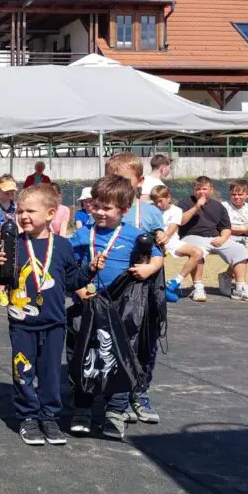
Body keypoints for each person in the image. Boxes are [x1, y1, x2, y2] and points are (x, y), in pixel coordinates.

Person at [0, 185, 95, 446]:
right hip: (22, 323)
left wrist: (90, 271)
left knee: (50, 374)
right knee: (23, 371)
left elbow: (72, 281)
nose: (23, 216)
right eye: (20, 211)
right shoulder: (14, 244)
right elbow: (3, 279)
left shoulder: (62, 246)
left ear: (51, 213)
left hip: (53, 323)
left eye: (30, 211)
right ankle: (28, 416)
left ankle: (49, 416)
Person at [69, 175, 164, 440]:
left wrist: (148, 269)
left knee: (122, 358)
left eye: (107, 208)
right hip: (88, 305)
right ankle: (82, 409)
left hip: (122, 308)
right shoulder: (82, 234)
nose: (99, 212)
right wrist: (79, 290)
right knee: (86, 357)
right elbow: (70, 268)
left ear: (124, 210)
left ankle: (115, 412)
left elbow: (157, 258)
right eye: (96, 206)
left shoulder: (134, 235)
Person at [177, 176, 248, 302]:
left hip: (214, 237)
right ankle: (198, 287)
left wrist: (223, 238)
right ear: (194, 190)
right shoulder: (185, 202)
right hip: (191, 236)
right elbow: (180, 221)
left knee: (240, 250)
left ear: (211, 190)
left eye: (204, 189)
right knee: (197, 251)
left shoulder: (218, 206)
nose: (201, 192)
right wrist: (196, 207)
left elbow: (226, 228)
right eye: (198, 189)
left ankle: (240, 288)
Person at [150, 185, 205, 303]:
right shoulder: (150, 209)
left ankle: (174, 283)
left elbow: (172, 229)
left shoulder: (176, 210)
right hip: (153, 242)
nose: (158, 204)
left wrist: (164, 240)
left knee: (198, 253)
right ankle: (157, 289)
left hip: (171, 242)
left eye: (160, 201)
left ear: (168, 197)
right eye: (155, 201)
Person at [105, 153, 165, 234]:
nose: (116, 184)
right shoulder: (97, 211)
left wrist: (161, 236)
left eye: (123, 180)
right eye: (110, 179)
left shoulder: (152, 212)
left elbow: (159, 237)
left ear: (140, 181)